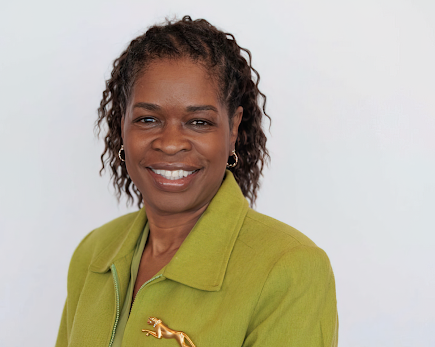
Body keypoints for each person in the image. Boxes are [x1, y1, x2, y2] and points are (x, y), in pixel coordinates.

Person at [55, 16, 338, 347]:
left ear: (232, 129)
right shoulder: (94, 253)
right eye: (148, 119)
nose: (171, 142)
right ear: (122, 125)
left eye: (199, 121)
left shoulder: (290, 268)